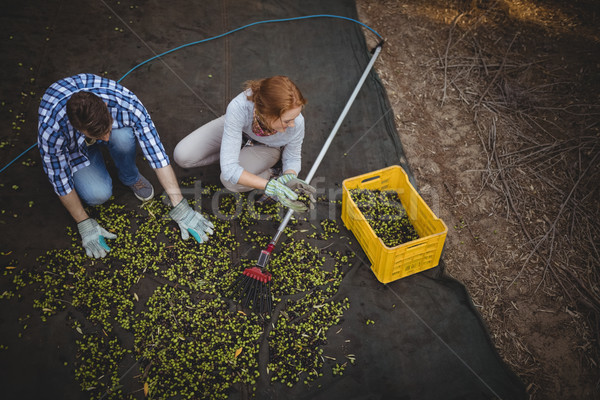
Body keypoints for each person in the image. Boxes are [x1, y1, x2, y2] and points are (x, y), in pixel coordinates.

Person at [38, 73, 214, 258]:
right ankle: (91, 154)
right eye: (100, 136)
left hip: (103, 127)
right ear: (77, 128)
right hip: (76, 148)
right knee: (98, 195)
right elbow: (60, 180)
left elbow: (157, 155)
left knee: (121, 137)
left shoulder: (125, 102)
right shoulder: (52, 132)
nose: (106, 138)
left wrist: (180, 206)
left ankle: (130, 176)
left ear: (105, 107)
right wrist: (84, 222)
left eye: (107, 130)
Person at [173, 75, 315, 212]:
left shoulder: (296, 123)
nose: (292, 124)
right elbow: (229, 170)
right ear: (267, 114)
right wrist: (268, 186)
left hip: (267, 147)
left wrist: (289, 177)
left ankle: (273, 174)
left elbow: (292, 157)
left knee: (230, 182)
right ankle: (236, 155)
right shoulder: (240, 106)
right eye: (286, 121)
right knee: (183, 156)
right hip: (239, 132)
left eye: (295, 117)